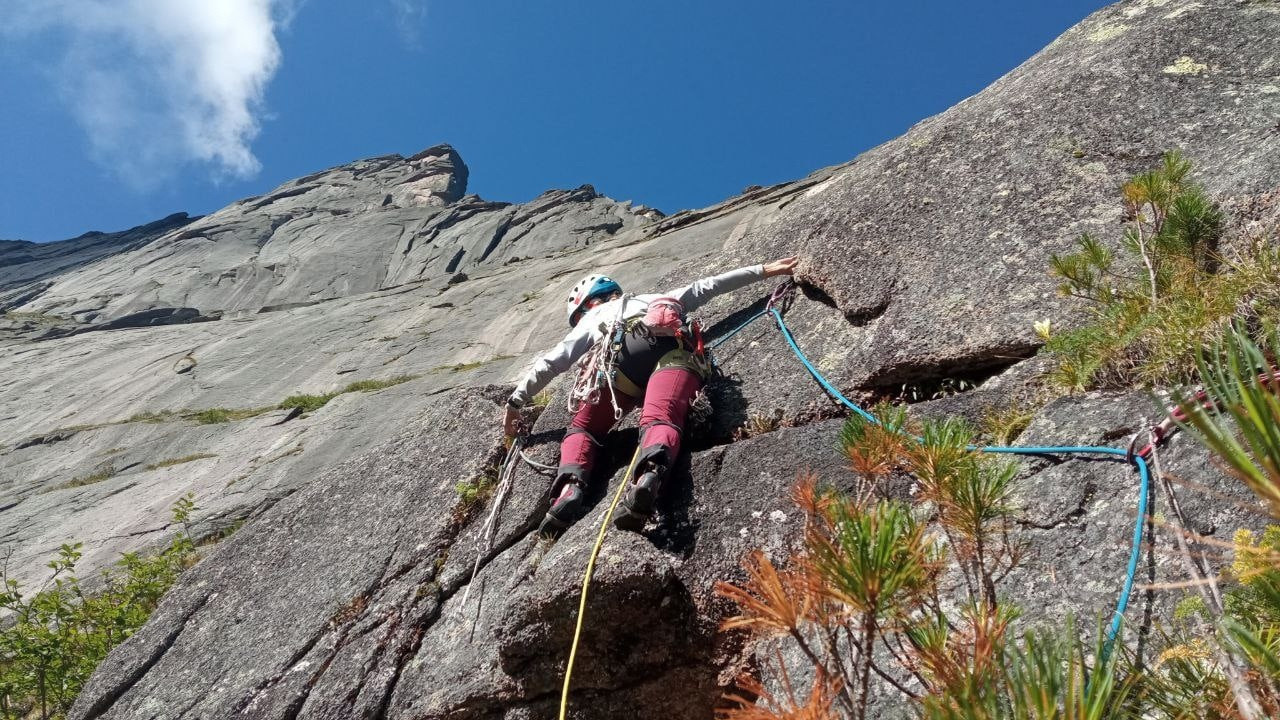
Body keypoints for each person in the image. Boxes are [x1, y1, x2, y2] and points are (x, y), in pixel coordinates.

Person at [502, 256, 798, 536]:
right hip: (674, 351)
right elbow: (707, 286)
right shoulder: (652, 300)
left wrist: (516, 403)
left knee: (583, 429)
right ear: (611, 293)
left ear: (586, 306)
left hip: (622, 362)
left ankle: (569, 489)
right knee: (661, 417)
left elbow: (553, 362)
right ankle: (648, 475)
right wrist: (767, 269)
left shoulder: (593, 317)